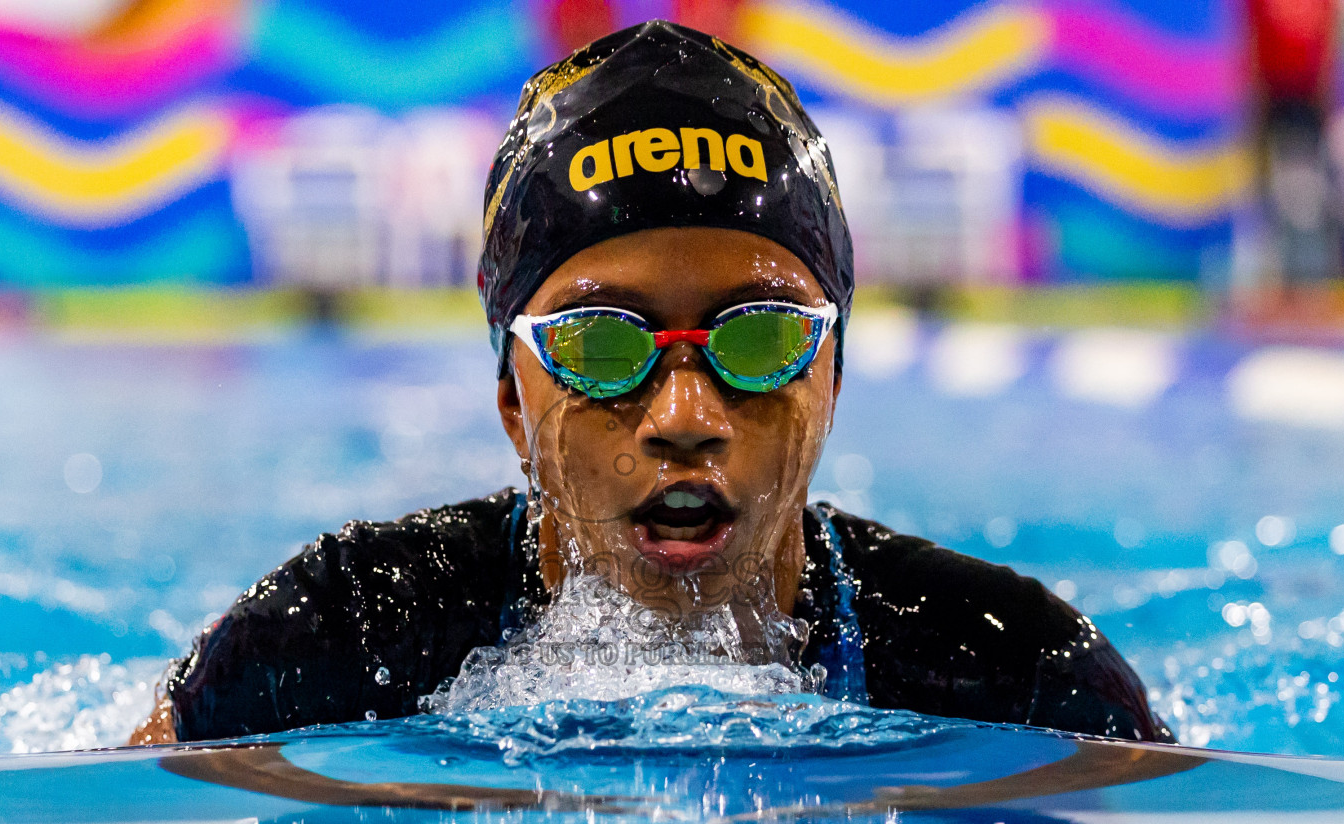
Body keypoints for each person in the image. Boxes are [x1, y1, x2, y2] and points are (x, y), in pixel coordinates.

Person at [130, 20, 1171, 746]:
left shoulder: (1022, 671)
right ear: (511, 401)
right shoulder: (331, 639)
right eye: (601, 344)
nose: (684, 417)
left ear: (835, 374)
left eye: (761, 339)